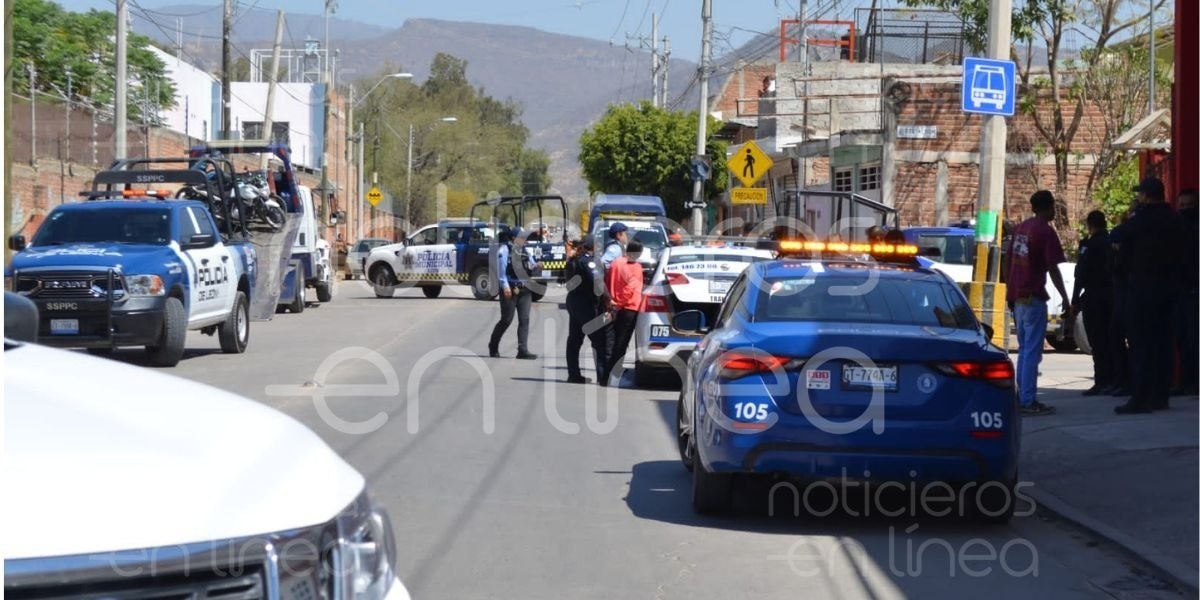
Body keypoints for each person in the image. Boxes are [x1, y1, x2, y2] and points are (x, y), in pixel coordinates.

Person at [1108, 176, 1182, 413]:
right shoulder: (1174, 219)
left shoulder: (1143, 218)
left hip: (1143, 287)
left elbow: (1116, 235)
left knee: (1141, 345)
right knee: (1163, 343)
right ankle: (1160, 395)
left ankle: (1140, 397)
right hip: (1170, 288)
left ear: (1147, 196)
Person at [1006, 190, 1071, 416]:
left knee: (1025, 350)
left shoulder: (1020, 229)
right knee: (1033, 351)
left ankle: (1021, 397)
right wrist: (1064, 296)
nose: (1055, 210)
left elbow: (1009, 263)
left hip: (1019, 296)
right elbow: (1053, 267)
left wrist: (1010, 294)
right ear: (1048, 207)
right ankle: (1028, 401)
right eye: (1053, 206)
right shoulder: (1044, 231)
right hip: (1033, 296)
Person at [1070, 210, 1114, 396]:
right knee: (1112, 339)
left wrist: (1074, 300)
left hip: (1094, 297)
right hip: (1113, 296)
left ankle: (1101, 380)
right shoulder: (1112, 242)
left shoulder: (1088, 246)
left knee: (1097, 340)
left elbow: (1080, 275)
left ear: (1090, 225)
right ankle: (1114, 379)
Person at [563, 235, 610, 383]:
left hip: (574, 302)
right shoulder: (588, 262)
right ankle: (603, 377)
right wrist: (609, 298)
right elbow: (597, 282)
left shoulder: (573, 260)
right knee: (599, 341)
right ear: (592, 246)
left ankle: (573, 374)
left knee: (574, 340)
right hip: (587, 305)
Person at [488, 228, 538, 360]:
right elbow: (501, 271)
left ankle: (522, 350)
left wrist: (537, 265)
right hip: (510, 288)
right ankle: (493, 345)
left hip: (525, 289)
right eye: (521, 237)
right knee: (506, 320)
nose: (524, 239)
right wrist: (505, 286)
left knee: (524, 319)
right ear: (513, 238)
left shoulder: (525, 250)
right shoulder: (504, 250)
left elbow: (531, 264)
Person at [603, 240, 645, 384]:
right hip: (628, 307)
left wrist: (611, 303)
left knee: (612, 341)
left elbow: (607, 281)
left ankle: (606, 374)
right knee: (621, 343)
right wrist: (619, 304)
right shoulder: (636, 267)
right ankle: (614, 377)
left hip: (613, 305)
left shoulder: (615, 263)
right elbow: (630, 289)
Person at [1173, 189, 1200, 396]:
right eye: (1182, 205)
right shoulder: (1177, 228)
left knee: (1193, 338)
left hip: (1193, 288)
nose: (1185, 209)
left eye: (1189, 205)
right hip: (1179, 289)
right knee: (1182, 338)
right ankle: (1186, 380)